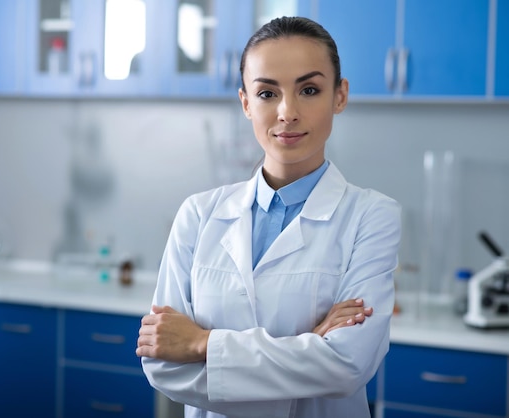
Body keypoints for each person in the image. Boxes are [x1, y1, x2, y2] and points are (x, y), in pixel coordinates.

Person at [136, 16, 401, 418]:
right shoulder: (198, 214)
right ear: (245, 102)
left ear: (339, 96)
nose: (287, 112)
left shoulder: (372, 217)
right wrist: (306, 351)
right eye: (266, 93)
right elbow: (163, 365)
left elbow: (346, 367)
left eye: (309, 90)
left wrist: (202, 344)